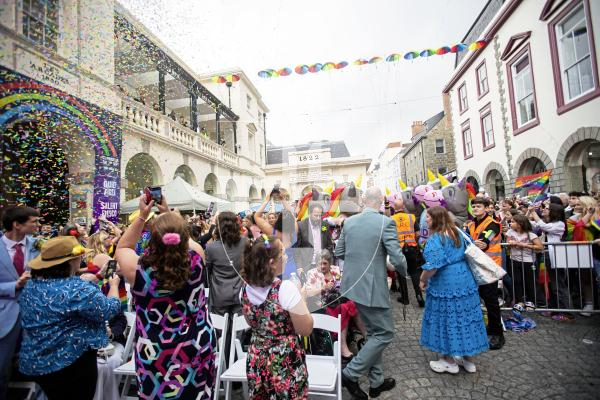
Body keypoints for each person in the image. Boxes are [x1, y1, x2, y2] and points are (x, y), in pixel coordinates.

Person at [115, 195, 215, 399]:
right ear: (182, 236)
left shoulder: (139, 271)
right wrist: (168, 216)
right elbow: (189, 242)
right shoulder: (196, 260)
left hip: (156, 354)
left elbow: (123, 247)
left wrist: (142, 216)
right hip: (196, 347)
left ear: (153, 239)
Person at [18, 236, 121, 399]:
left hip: (38, 361)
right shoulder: (78, 288)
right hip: (73, 363)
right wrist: (114, 286)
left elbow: (67, 297)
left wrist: (98, 277)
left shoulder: (31, 286)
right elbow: (108, 310)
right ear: (71, 261)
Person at [335, 187, 407, 400]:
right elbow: (397, 258)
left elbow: (339, 253)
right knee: (385, 333)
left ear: (364, 201)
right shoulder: (386, 222)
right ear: (382, 202)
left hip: (352, 286)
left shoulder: (349, 222)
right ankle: (351, 373)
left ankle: (376, 382)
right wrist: (407, 274)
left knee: (375, 334)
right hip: (372, 287)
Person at [240, 235, 313, 399]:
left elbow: (250, 321)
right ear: (271, 263)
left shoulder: (244, 288)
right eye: (282, 253)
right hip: (283, 360)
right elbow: (306, 328)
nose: (286, 256)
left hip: (256, 357)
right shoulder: (285, 288)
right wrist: (303, 298)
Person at [419, 206, 489, 374]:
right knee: (466, 318)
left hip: (446, 282)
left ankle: (449, 361)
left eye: (428, 218)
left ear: (436, 219)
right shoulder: (458, 232)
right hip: (465, 280)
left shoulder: (436, 238)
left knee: (446, 319)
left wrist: (422, 279)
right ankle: (468, 360)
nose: (426, 220)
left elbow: (433, 266)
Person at [0, 206, 40, 399]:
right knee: (2, 370)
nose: (38, 225)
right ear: (17, 224)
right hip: (4, 318)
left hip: (34, 316)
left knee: (40, 368)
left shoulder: (38, 246)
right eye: (34, 221)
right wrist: (13, 285)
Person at [304, 249, 367, 362]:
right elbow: (307, 293)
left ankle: (367, 337)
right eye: (320, 263)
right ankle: (343, 346)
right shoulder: (312, 273)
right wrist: (323, 288)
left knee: (353, 304)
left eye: (325, 263)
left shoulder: (335, 270)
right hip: (322, 305)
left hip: (338, 300)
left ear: (330, 262)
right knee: (344, 307)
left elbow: (344, 284)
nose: (322, 266)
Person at [205, 211, 246, 363]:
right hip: (239, 294)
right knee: (237, 335)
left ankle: (223, 369)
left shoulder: (211, 248)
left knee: (221, 336)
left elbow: (208, 270)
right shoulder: (244, 242)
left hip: (219, 295)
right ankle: (235, 369)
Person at [467, 197, 505, 350]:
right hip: (475, 266)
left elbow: (483, 243)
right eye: (474, 206)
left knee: (491, 301)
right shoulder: (470, 224)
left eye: (479, 206)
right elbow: (468, 241)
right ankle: (489, 327)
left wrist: (470, 242)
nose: (475, 209)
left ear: (487, 208)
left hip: (489, 267)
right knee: (479, 298)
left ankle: (498, 334)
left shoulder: (493, 224)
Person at [391, 198, 424, 307]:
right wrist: (413, 239)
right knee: (414, 272)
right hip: (411, 248)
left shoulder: (391, 219)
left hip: (398, 249)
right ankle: (419, 296)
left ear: (394, 208)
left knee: (401, 273)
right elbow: (418, 233)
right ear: (403, 206)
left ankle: (405, 299)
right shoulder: (411, 217)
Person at [505, 214, 543, 306]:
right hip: (514, 260)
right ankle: (519, 301)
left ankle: (531, 301)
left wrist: (523, 245)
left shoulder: (531, 234)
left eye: (513, 222)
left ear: (520, 224)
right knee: (517, 281)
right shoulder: (510, 232)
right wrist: (509, 243)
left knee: (530, 282)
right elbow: (507, 241)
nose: (511, 223)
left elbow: (540, 247)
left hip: (528, 261)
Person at [295, 203, 333, 274]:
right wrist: (299, 266)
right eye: (316, 216)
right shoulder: (301, 226)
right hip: (306, 265)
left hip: (322, 264)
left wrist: (329, 262)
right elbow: (297, 249)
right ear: (309, 214)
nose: (318, 218)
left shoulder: (325, 225)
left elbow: (329, 245)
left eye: (320, 216)